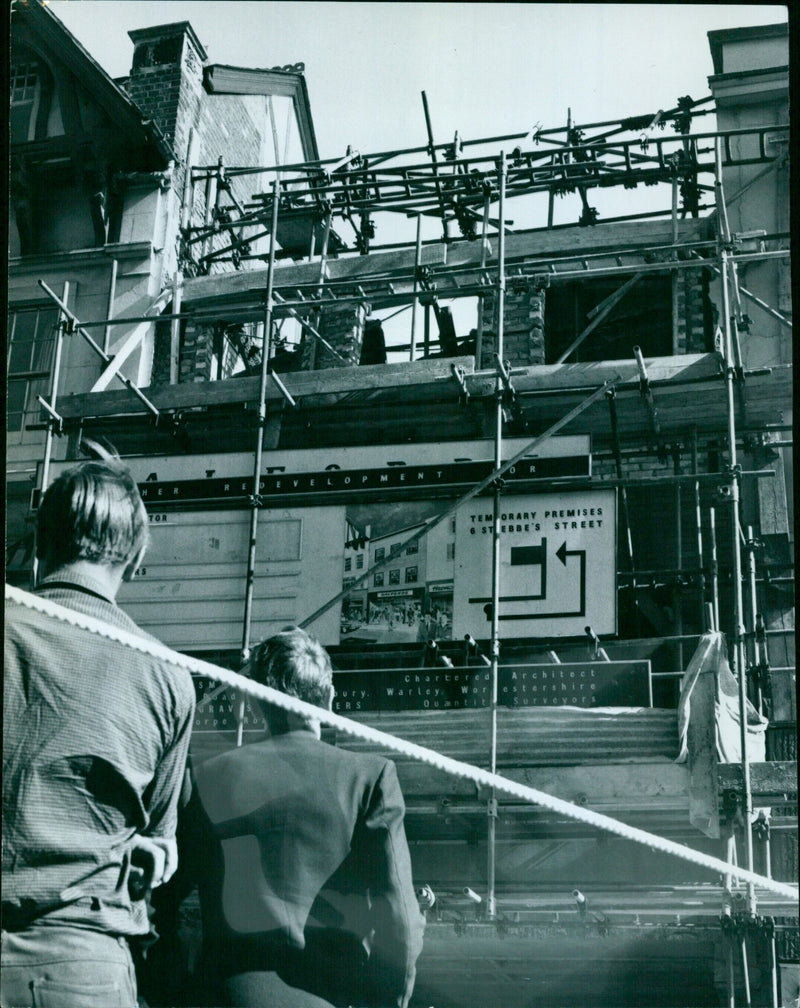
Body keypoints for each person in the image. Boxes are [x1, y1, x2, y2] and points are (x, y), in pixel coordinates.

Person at [3, 453, 196, 1008]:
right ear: (135, 558)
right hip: (80, 967)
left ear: (40, 543)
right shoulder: (166, 677)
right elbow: (159, 848)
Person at [176, 626, 424, 1008]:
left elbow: (160, 902)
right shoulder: (370, 778)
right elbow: (400, 920)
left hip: (229, 996)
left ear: (256, 702)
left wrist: (175, 990)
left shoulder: (207, 777)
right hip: (331, 995)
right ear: (329, 701)